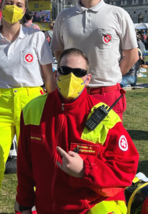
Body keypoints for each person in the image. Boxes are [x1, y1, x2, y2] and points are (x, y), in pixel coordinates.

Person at [16, 48, 139, 214]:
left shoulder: (107, 119)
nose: (71, 77)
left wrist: (85, 170)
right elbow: (24, 164)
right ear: (55, 75)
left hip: (88, 208)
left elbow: (126, 169)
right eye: (64, 70)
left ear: (87, 79)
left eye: (78, 72)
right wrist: (24, 204)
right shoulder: (32, 109)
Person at [0, 0, 56, 214]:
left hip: (32, 104)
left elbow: (48, 76)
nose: (14, 7)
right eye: (9, 3)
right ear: (0, 8)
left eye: (19, 4)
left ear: (25, 10)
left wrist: (52, 105)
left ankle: (31, 209)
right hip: (0, 106)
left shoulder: (36, 37)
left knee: (36, 165)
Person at [51, 0, 138, 121]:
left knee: (107, 145)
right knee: (72, 143)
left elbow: (132, 55)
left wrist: (111, 75)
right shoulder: (63, 17)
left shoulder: (119, 14)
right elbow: (59, 53)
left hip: (107, 93)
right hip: (72, 94)